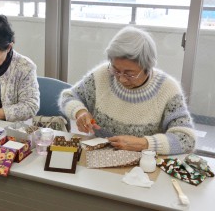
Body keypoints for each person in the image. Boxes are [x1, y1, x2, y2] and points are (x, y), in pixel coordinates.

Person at [59, 26, 195, 155]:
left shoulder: (167, 89)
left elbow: (186, 139)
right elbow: (68, 97)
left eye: (130, 74)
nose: (121, 79)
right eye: (116, 70)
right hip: (97, 155)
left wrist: (144, 143)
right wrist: (80, 112)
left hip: (143, 164)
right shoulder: (103, 75)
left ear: (148, 67)